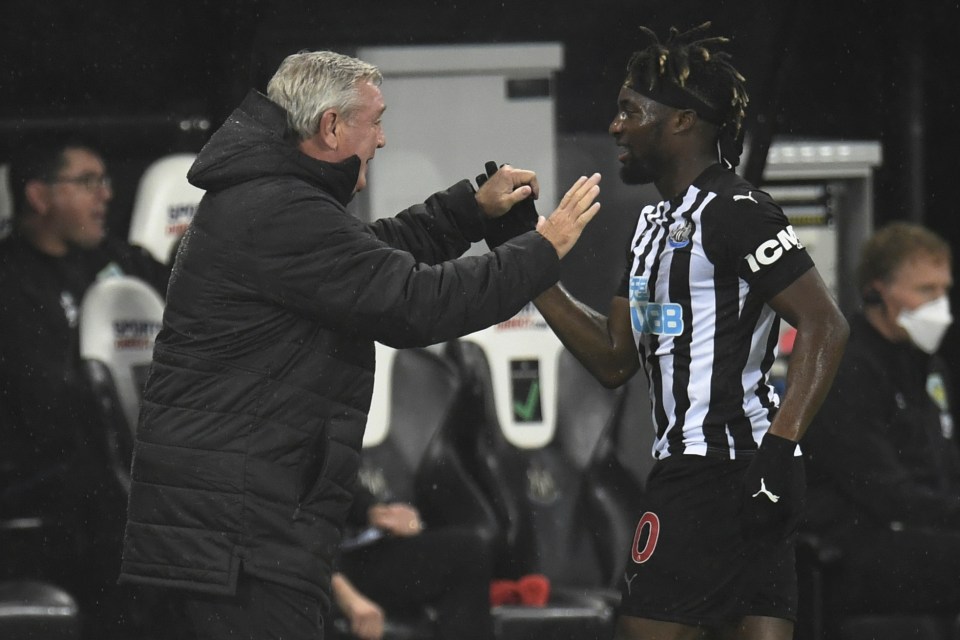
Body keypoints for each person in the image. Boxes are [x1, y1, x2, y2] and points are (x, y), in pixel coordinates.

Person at [117, 50, 601, 640]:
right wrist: (540, 249)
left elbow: (370, 255)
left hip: (234, 530)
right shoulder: (278, 208)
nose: (384, 138)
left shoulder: (271, 199)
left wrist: (468, 211)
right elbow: (413, 302)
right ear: (330, 126)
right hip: (238, 538)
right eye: (375, 120)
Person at [525, 23, 849, 640]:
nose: (615, 126)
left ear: (681, 122)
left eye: (629, 110)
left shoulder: (736, 211)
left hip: (727, 466)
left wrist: (777, 456)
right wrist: (533, 269)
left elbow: (825, 324)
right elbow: (616, 359)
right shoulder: (650, 225)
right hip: (701, 466)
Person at [0, 134, 171, 638]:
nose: (106, 195)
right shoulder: (9, 281)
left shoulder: (117, 262)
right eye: (88, 182)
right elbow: (47, 402)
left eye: (105, 182)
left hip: (116, 468)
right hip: (38, 477)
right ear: (40, 196)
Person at [802, 222, 960, 618]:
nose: (940, 305)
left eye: (944, 290)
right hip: (854, 541)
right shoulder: (846, 367)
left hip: (918, 529)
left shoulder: (926, 364)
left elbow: (941, 463)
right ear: (877, 291)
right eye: (926, 290)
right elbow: (882, 490)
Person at [330, 484, 494, 640]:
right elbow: (306, 541)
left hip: (360, 551)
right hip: (326, 568)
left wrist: (378, 512)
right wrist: (347, 596)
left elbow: (340, 485)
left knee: (466, 550)